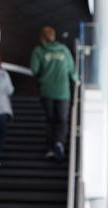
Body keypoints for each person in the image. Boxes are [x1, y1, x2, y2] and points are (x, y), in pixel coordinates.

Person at [29, 26, 78, 162]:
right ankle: (59, 143)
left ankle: (50, 148)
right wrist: (76, 81)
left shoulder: (39, 51)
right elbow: (73, 71)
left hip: (47, 90)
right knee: (62, 120)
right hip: (63, 91)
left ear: (42, 38)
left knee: (50, 120)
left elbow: (34, 70)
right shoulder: (64, 50)